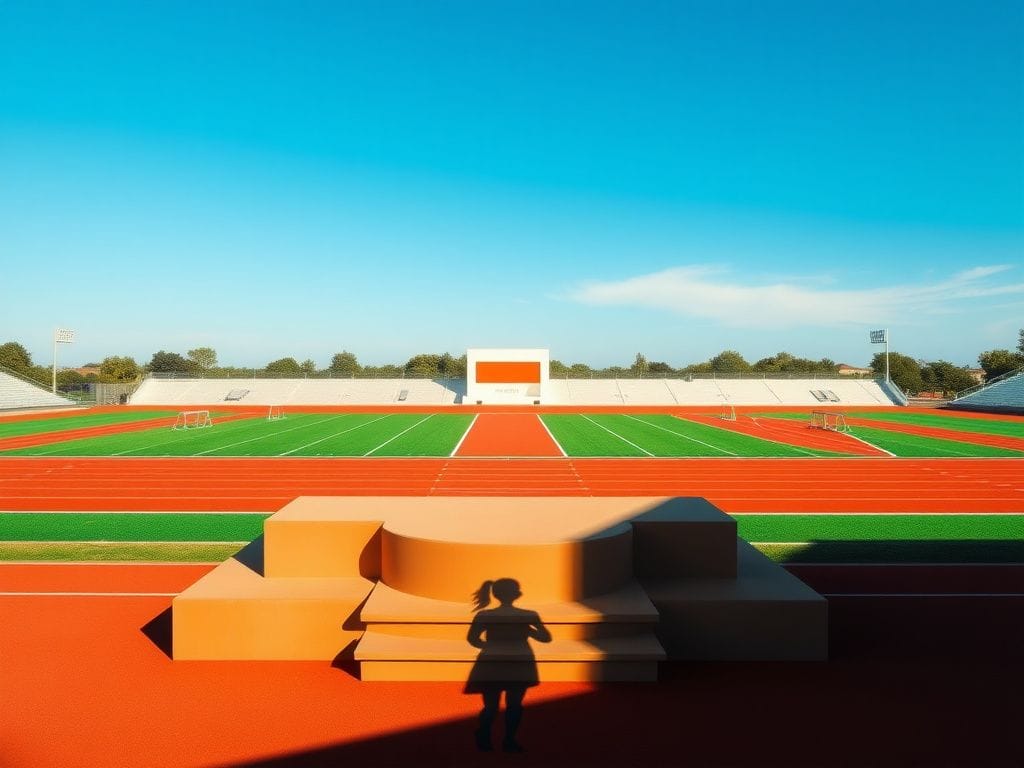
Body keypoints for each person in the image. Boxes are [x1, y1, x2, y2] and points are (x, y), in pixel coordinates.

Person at [465, 578, 551, 753]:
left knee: (491, 706)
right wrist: (528, 631)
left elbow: (472, 639)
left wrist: (490, 646)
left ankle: (484, 735)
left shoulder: (484, 615)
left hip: (491, 662)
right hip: (519, 662)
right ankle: (509, 740)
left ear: (495, 594)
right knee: (515, 705)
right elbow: (546, 638)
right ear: (517, 594)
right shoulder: (529, 615)